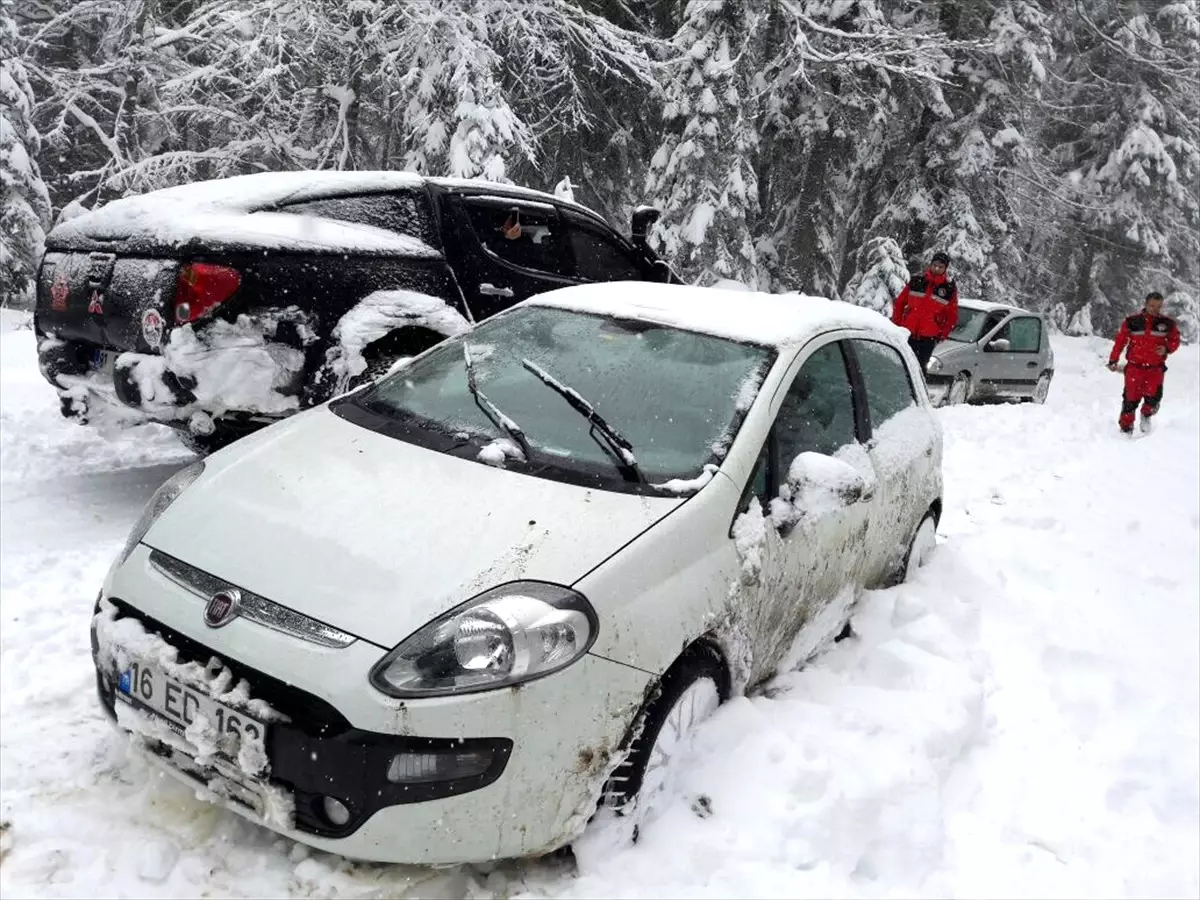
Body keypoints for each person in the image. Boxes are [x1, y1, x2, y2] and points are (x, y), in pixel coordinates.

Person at [1107, 291, 1181, 434]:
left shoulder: (1167, 324)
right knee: (1130, 399)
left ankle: (1146, 415)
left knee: (1153, 398)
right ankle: (1126, 429)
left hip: (1155, 369)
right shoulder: (1133, 321)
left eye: (1158, 306)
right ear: (1146, 304)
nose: (1155, 309)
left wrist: (1166, 348)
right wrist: (1113, 359)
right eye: (1152, 306)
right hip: (1135, 367)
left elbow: (1175, 340)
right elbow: (1120, 341)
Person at [891, 251, 959, 372]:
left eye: (941, 266)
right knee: (900, 367)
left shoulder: (948, 290)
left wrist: (942, 335)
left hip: (928, 338)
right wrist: (897, 325)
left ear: (945, 269)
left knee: (919, 370)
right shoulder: (917, 281)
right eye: (935, 265)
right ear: (930, 264)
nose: (937, 268)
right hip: (907, 333)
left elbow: (952, 316)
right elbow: (900, 303)